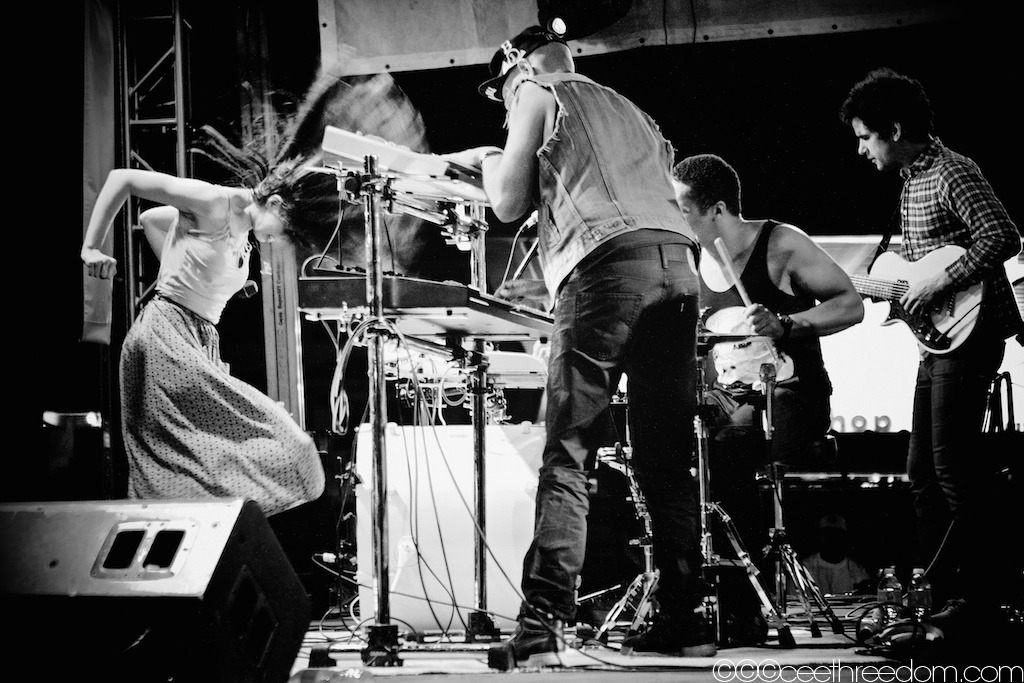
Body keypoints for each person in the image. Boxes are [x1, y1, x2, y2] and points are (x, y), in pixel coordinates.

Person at [442, 25, 711, 668]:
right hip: (678, 266)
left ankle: (543, 625)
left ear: (518, 66)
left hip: (605, 265)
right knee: (665, 460)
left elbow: (507, 203)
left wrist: (489, 161)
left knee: (568, 455)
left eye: (502, 92)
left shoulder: (538, 91)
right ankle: (685, 620)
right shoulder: (635, 112)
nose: (505, 105)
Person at [840, 68, 1023, 622]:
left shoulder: (951, 171)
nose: (860, 150)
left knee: (954, 471)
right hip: (940, 345)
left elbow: (1003, 235)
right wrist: (896, 287)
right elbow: (916, 274)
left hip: (971, 337)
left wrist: (937, 282)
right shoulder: (912, 180)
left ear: (894, 130)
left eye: (865, 137)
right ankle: (940, 594)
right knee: (922, 474)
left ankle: (982, 597)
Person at [81, 131, 336, 518]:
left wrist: (194, 276)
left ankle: (188, 531)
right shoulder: (214, 202)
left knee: (189, 460)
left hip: (198, 340)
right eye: (283, 229)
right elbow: (124, 179)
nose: (278, 240)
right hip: (167, 335)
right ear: (275, 203)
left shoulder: (243, 234)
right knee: (291, 448)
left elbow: (152, 221)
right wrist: (91, 247)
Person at [671, 153, 864, 644]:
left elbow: (850, 305)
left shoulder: (780, 244)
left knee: (728, 447)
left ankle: (744, 606)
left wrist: (787, 324)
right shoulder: (689, 257)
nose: (676, 219)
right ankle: (681, 599)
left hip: (792, 396)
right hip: (728, 395)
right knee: (667, 448)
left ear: (717, 209)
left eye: (683, 210)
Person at [798, 514, 872, 596]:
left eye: (836, 534)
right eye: (827, 533)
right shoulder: (804, 569)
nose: (832, 538)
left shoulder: (858, 572)